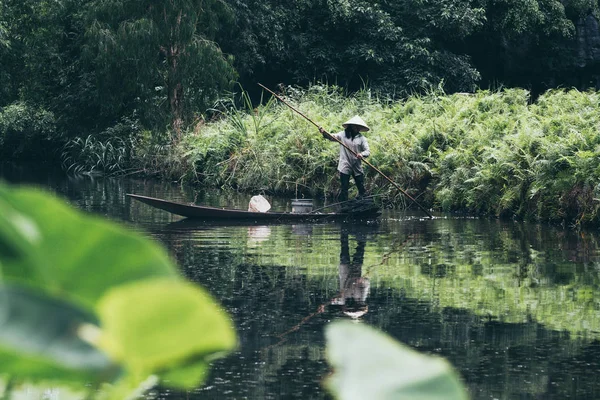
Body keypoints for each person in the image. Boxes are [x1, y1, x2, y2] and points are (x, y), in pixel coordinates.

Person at [319, 116, 371, 202]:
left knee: (361, 187)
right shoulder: (342, 135)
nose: (357, 128)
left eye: (358, 127)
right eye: (355, 126)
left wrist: (361, 154)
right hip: (345, 164)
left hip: (356, 166)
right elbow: (332, 137)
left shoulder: (362, 139)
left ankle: (363, 204)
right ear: (351, 126)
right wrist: (324, 132)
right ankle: (344, 206)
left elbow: (367, 151)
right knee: (344, 188)